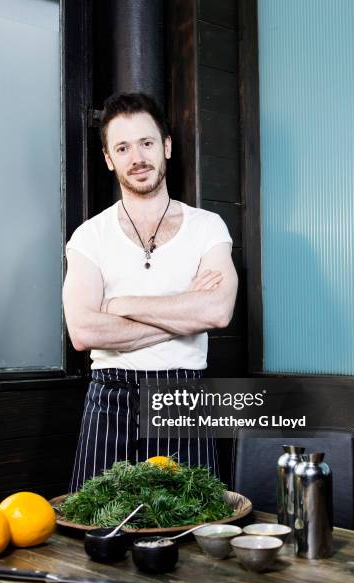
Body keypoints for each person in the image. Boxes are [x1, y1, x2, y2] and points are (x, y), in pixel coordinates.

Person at [62, 92, 238, 492]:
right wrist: (183, 315)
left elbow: (218, 312)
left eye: (146, 143)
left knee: (189, 528)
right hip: (109, 396)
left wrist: (123, 306)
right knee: (98, 530)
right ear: (109, 159)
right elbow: (85, 332)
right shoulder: (89, 237)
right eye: (122, 147)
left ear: (166, 147)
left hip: (182, 397)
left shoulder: (207, 227)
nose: (137, 157)